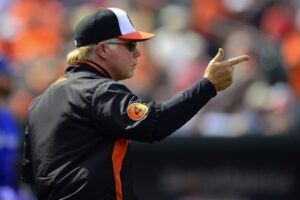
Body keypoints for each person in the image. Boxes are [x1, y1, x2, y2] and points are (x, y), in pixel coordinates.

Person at [20, 7, 249, 200]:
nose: (138, 54)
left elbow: (29, 174)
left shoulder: (40, 102)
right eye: (130, 45)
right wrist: (208, 86)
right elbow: (155, 124)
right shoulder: (97, 90)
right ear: (103, 50)